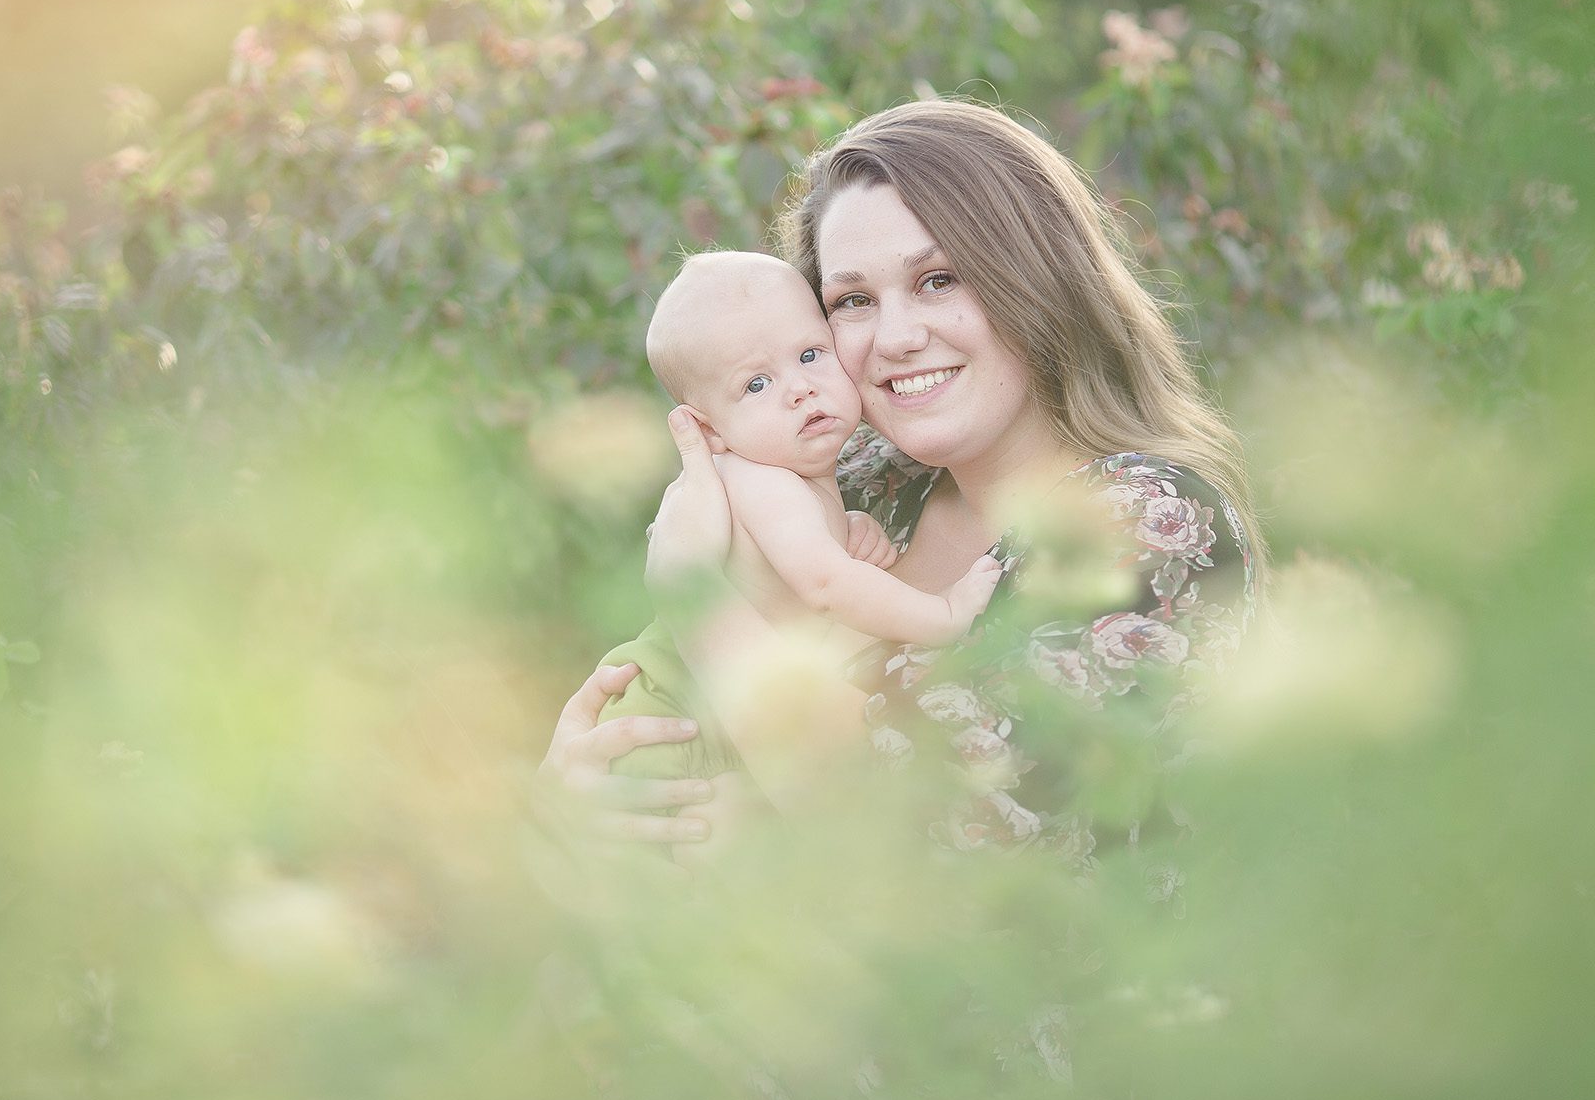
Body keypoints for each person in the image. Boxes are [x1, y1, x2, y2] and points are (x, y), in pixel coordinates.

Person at [538, 98, 1261, 861]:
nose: (897, 338)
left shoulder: (1143, 519)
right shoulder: (868, 481)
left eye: (940, 279)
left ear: (1038, 279)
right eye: (853, 301)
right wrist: (570, 794)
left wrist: (693, 601)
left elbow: (934, 833)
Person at [593, 249, 1004, 789]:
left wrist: (845, 524)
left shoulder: (805, 482)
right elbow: (826, 586)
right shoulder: (764, 483)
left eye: (811, 354)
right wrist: (944, 614)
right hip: (672, 721)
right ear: (709, 430)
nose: (799, 388)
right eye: (755, 385)